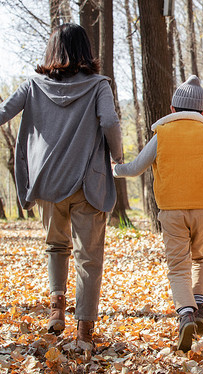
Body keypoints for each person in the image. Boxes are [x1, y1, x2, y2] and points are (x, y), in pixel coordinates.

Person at [0, 24, 123, 350]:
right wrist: (118, 156)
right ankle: (84, 333)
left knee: (56, 246)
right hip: (88, 183)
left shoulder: (32, 86)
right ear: (86, 50)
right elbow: (109, 122)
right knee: (89, 257)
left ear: (52, 50)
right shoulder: (99, 85)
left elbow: (3, 113)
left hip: (48, 181)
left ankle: (57, 309)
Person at [113, 75, 203, 353]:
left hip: (171, 209)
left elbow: (136, 167)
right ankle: (201, 309)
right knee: (202, 256)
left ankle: (186, 313)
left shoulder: (162, 135)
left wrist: (115, 169)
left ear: (173, 109)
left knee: (178, 265)